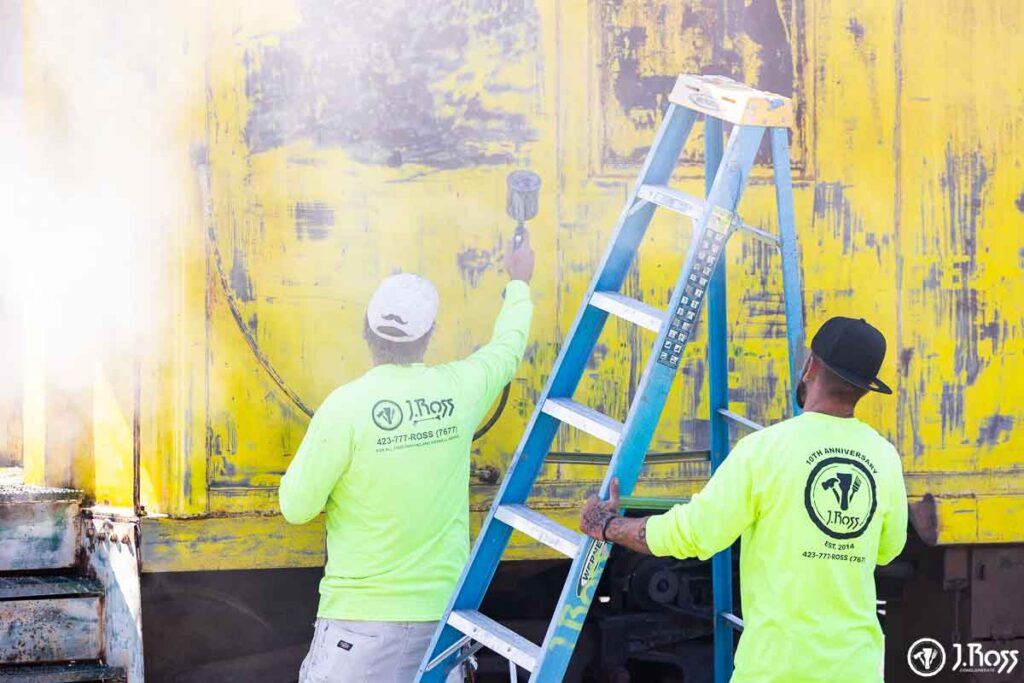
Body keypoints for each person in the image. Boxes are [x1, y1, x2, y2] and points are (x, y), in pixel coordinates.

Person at [579, 317, 908, 683]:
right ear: (863, 390)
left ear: (810, 367)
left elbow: (693, 534)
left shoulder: (763, 451)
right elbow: (887, 549)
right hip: (856, 671)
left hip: (775, 672)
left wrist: (608, 526)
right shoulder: (884, 457)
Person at [280, 231, 535, 683]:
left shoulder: (345, 407)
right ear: (428, 335)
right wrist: (518, 282)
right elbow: (507, 348)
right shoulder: (458, 390)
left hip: (358, 630)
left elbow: (296, 507)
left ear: (367, 329)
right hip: (439, 623)